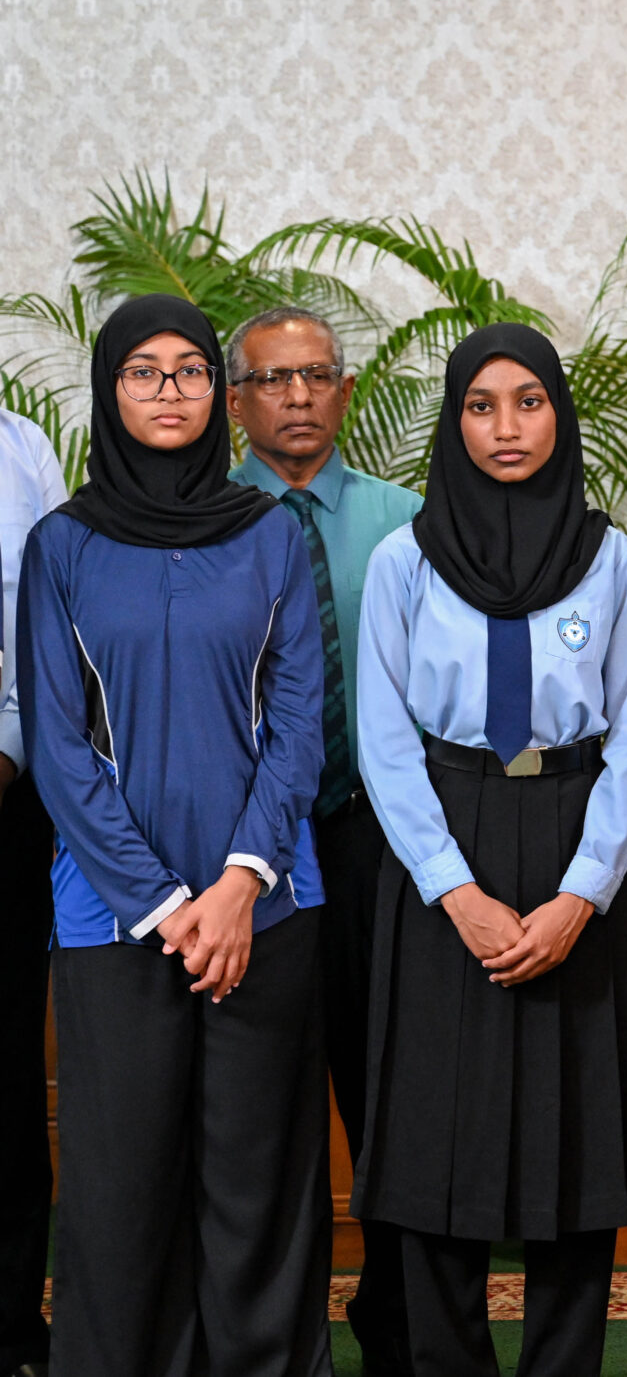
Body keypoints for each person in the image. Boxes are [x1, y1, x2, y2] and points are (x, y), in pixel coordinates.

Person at [353, 325, 627, 1377]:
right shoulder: (403, 560)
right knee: (436, 1132)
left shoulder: (610, 559)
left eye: (529, 401)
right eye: (480, 405)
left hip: (578, 836)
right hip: (442, 844)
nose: (506, 427)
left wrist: (582, 895)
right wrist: (455, 889)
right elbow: (384, 742)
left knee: (578, 1137)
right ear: (453, 422)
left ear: (559, 416)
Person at [26, 294, 331, 1377]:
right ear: (110, 389)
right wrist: (166, 907)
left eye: (191, 370)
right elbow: (57, 744)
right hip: (114, 918)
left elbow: (300, 723)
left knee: (259, 1180)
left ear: (218, 392)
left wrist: (239, 885)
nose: (170, 390)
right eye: (144, 371)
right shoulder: (61, 545)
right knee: (121, 1182)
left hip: (266, 908)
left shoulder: (270, 534)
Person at [227, 304, 424, 1376]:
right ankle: (276, 1333)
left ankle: (397, 1321)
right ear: (236, 402)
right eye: (272, 379)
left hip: (378, 846)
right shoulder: (204, 524)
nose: (297, 396)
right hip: (246, 859)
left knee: (391, 1088)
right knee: (268, 1105)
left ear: (347, 391)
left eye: (316, 375)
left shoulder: (410, 522)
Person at [0, 406, 65, 1377]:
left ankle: (10, 1325)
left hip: (6, 798)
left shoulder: (24, 448)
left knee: (7, 1074)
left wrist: (6, 752)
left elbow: (50, 626)